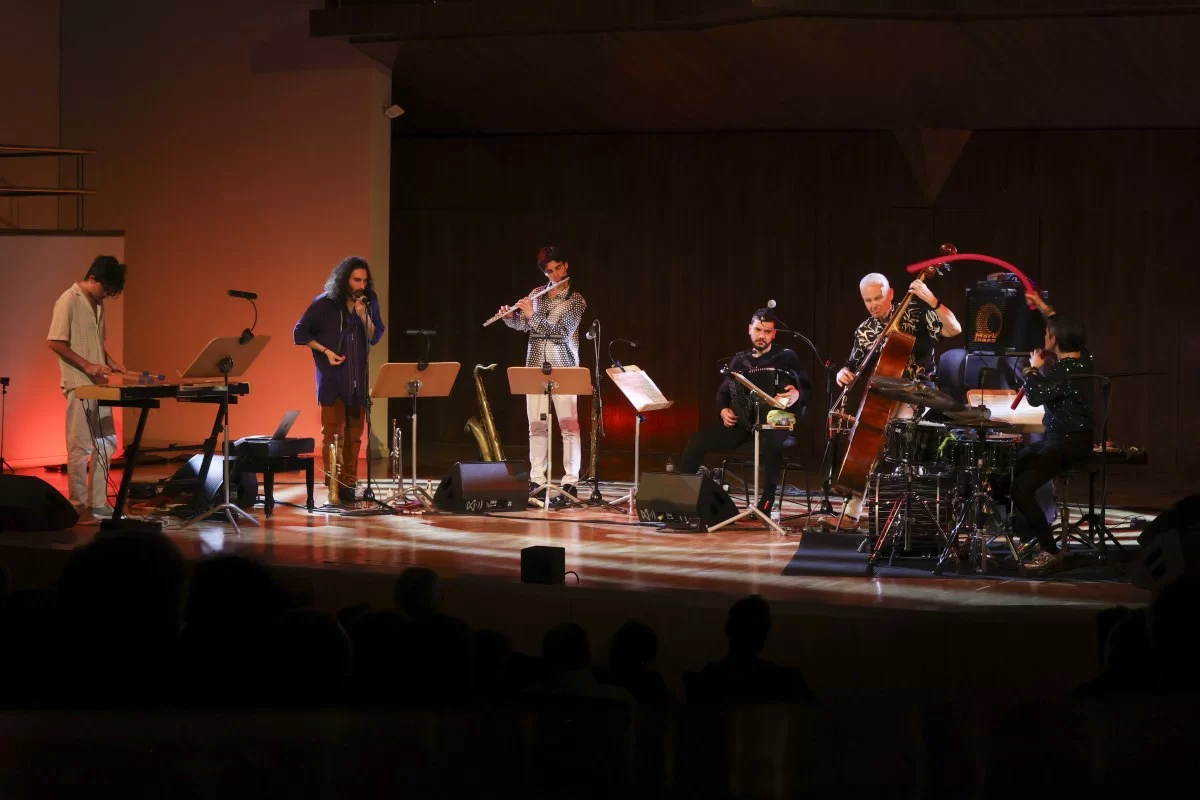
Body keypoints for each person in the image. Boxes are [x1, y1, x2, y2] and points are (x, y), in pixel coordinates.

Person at [830, 272, 962, 529]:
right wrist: (841, 374)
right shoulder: (866, 330)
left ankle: (909, 512)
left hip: (917, 392)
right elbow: (851, 367)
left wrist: (932, 301)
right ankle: (852, 511)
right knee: (864, 444)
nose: (873, 305)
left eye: (878, 298)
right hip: (882, 397)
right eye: (867, 301)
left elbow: (954, 328)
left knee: (890, 439)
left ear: (890, 294)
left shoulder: (916, 315)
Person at [680, 308, 809, 516]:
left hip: (778, 421)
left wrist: (796, 394)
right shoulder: (740, 361)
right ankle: (682, 496)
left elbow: (806, 388)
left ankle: (767, 502)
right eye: (758, 329)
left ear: (774, 334)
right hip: (744, 424)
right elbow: (723, 392)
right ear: (749, 329)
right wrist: (723, 410)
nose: (762, 335)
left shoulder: (786, 357)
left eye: (767, 332)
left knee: (771, 438)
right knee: (698, 440)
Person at [1003, 291, 1094, 572]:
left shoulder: (1063, 372)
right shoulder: (1085, 359)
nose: (1044, 337)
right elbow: (1062, 326)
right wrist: (1044, 308)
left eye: (1046, 333)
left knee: (1021, 487)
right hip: (1065, 440)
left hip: (1067, 443)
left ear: (1054, 339)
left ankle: (1048, 550)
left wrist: (1032, 370)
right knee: (1010, 469)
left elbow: (1035, 397)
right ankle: (1032, 537)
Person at [498, 245, 587, 506]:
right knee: (536, 427)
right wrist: (508, 317)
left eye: (558, 268)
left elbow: (560, 331)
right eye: (550, 271)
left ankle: (570, 481)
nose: (555, 275)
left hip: (565, 367)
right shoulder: (538, 293)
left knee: (569, 427)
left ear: (566, 266)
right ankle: (536, 480)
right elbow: (524, 324)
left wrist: (531, 315)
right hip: (535, 366)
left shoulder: (576, 300)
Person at [293, 256, 384, 505]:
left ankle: (349, 484)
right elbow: (299, 331)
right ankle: (334, 482)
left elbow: (375, 336)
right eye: (357, 280)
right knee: (333, 435)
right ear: (344, 280)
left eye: (365, 280)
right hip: (333, 379)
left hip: (358, 378)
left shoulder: (369, 302)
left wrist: (364, 316)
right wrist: (324, 351)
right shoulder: (325, 303)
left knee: (355, 436)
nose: (361, 285)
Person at [46, 255, 127, 521]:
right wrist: (88, 366)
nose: (106, 295)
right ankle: (78, 506)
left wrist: (109, 361)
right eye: (105, 289)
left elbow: (95, 344)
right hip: (80, 385)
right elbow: (56, 342)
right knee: (80, 447)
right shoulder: (68, 300)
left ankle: (99, 504)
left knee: (106, 444)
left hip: (99, 386)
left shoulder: (99, 304)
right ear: (93, 278)